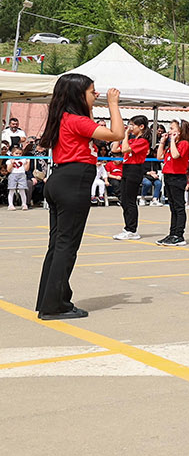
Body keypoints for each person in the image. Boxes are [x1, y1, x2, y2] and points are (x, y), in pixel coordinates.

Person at [36, 74, 124, 320]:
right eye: (91, 91)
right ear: (77, 95)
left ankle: (51, 299)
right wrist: (113, 104)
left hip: (60, 179)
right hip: (73, 182)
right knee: (67, 246)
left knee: (58, 245)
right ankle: (54, 305)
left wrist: (93, 107)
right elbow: (117, 135)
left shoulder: (64, 117)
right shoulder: (75, 120)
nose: (95, 95)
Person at [112, 116, 151, 240]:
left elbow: (124, 149)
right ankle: (127, 226)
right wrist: (120, 136)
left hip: (135, 170)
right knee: (123, 199)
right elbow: (115, 149)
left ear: (141, 127)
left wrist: (126, 134)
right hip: (127, 169)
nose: (131, 127)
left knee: (130, 200)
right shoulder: (133, 140)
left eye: (133, 125)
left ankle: (132, 229)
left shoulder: (143, 141)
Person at [155, 120, 189, 246]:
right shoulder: (172, 144)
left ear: (179, 131)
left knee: (179, 206)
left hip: (178, 177)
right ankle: (172, 233)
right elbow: (160, 156)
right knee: (172, 207)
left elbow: (176, 155)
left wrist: (172, 141)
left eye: (172, 128)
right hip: (168, 176)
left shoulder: (183, 143)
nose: (169, 131)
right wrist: (162, 142)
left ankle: (179, 234)